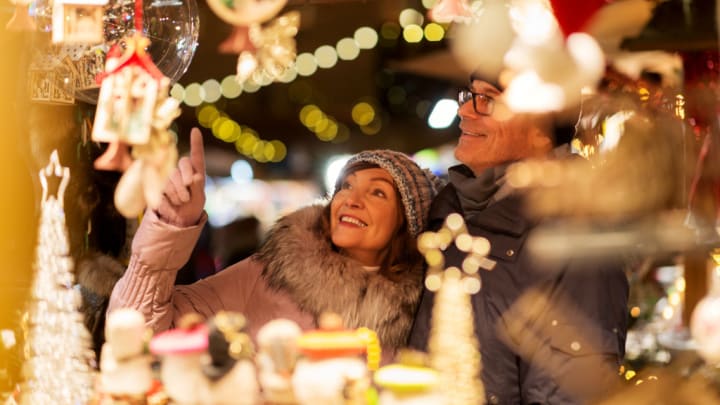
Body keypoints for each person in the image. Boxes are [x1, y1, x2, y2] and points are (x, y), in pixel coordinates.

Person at [108, 127, 441, 355]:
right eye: (346, 186)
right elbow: (138, 332)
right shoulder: (270, 275)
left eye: (378, 192)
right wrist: (170, 227)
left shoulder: (422, 312)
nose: (350, 199)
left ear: (407, 223)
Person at [407, 74, 629, 404]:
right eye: (469, 95)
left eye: (488, 99)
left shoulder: (577, 226)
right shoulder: (446, 208)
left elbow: (567, 391)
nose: (465, 111)